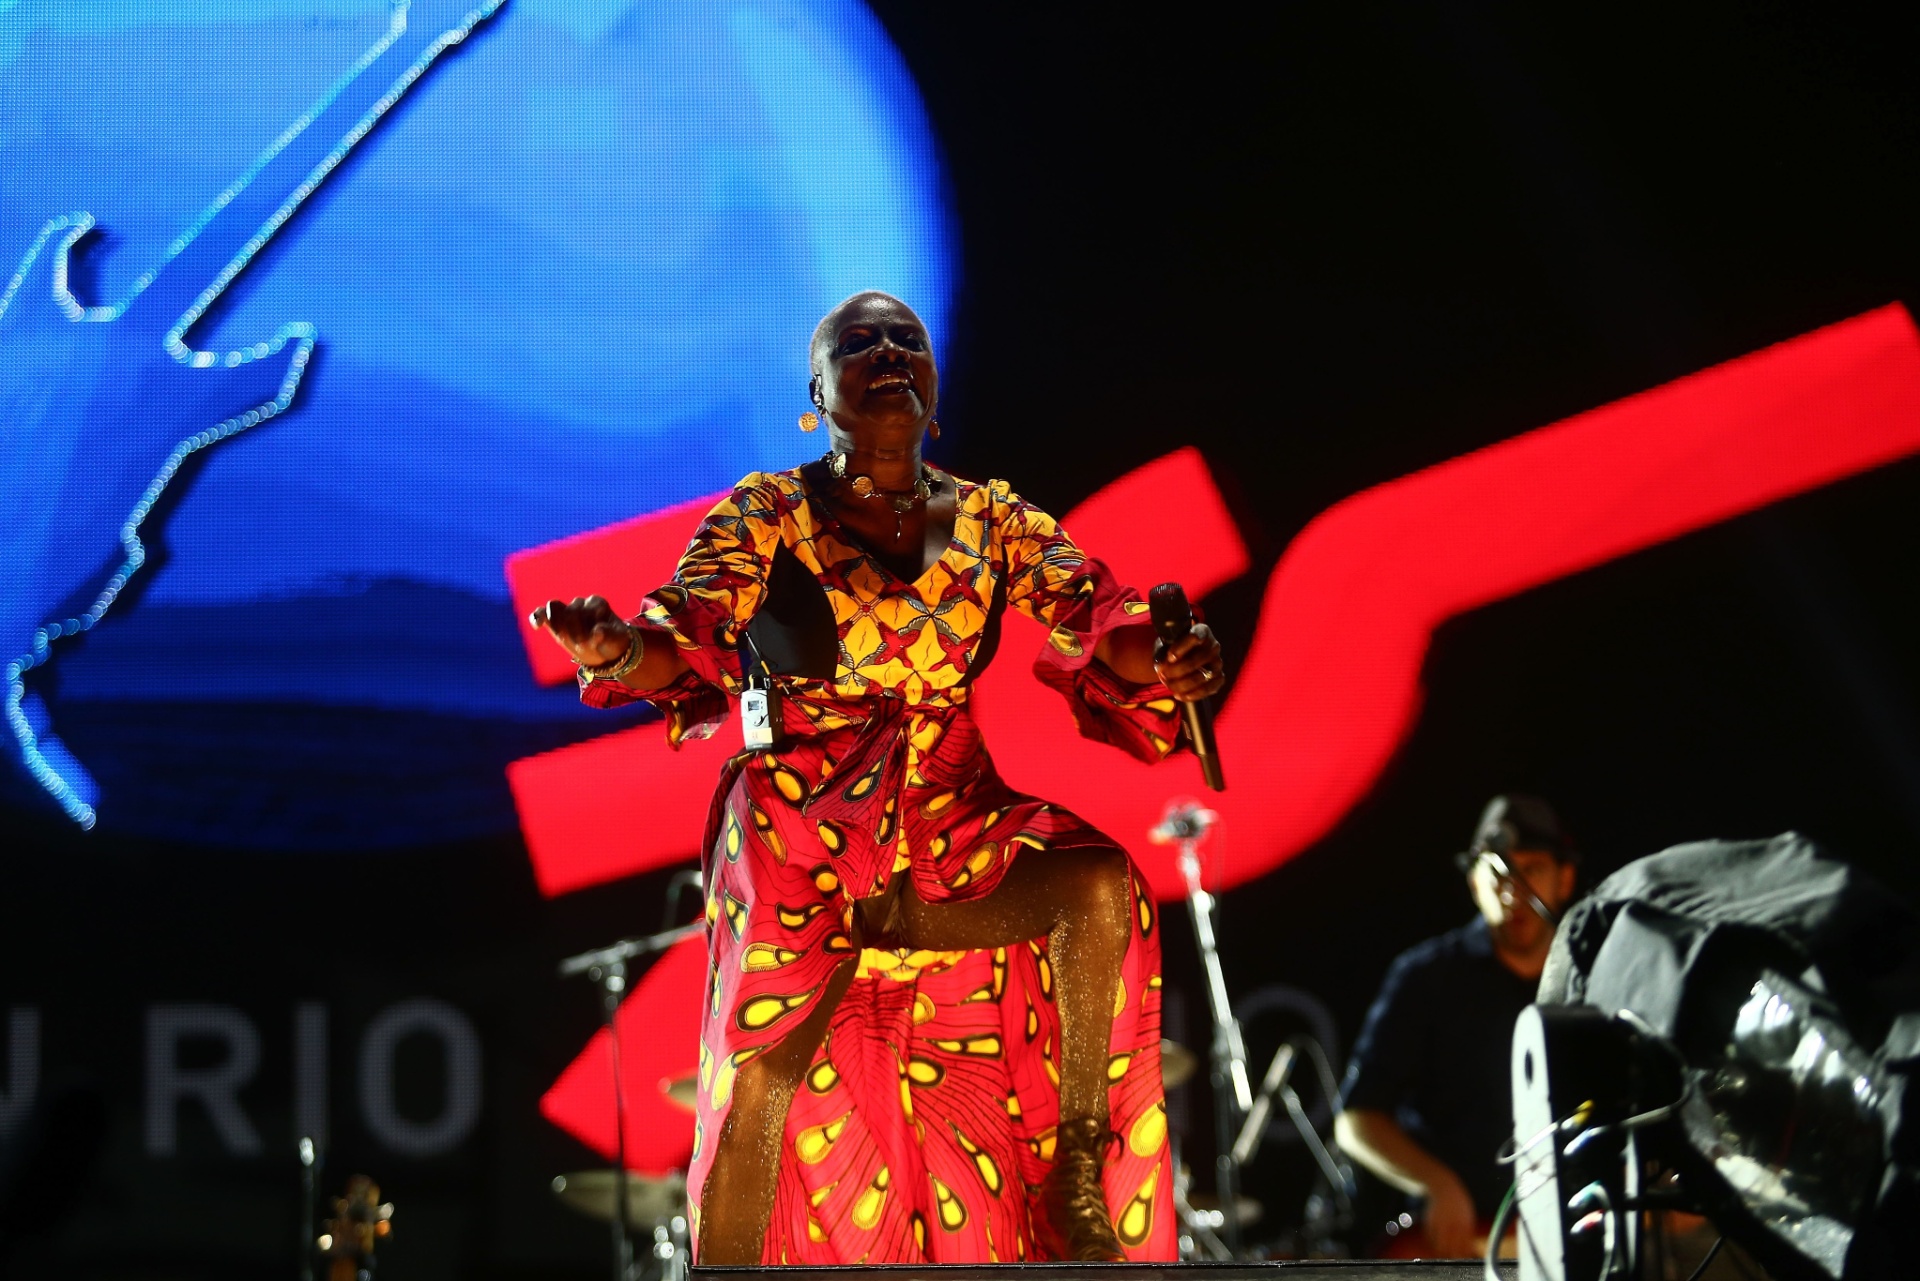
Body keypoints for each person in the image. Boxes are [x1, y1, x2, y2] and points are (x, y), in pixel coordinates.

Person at [530, 291, 1224, 1265]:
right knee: (763, 1069)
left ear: (936, 394)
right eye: (857, 343)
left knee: (1098, 884)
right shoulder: (767, 510)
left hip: (950, 820)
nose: (888, 350)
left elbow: (1104, 621)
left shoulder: (993, 518)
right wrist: (611, 647)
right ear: (816, 395)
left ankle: (1073, 1170)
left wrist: (1172, 657)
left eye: (906, 339)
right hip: (798, 821)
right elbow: (680, 636)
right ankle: (722, 1267)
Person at [1332, 794, 1580, 1259]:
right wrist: (1436, 1183)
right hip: (1456, 1245)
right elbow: (1357, 1119)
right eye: (1498, 871)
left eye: (1532, 868)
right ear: (1473, 882)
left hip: (1574, 1233)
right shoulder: (1426, 977)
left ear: (1565, 879)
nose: (1514, 888)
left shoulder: (1591, 978)